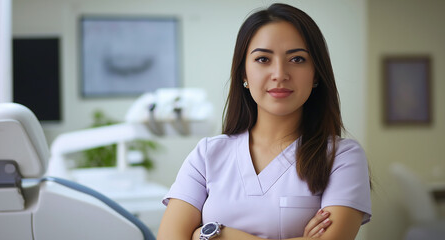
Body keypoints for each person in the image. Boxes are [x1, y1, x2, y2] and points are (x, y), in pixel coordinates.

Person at [157, 3, 371, 240]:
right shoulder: (207, 155)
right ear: (244, 74)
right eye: (263, 59)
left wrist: (214, 235)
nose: (280, 73)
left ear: (316, 74)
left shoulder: (341, 157)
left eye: (297, 59)